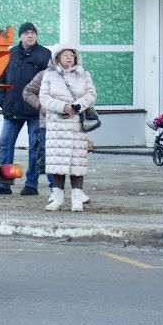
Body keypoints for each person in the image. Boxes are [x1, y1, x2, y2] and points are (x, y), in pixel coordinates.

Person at [0, 21, 52, 196]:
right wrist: (2, 101)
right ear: (20, 36)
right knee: (5, 143)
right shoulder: (11, 54)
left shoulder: (45, 55)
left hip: (35, 111)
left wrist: (44, 105)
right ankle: (3, 184)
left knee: (35, 148)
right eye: (26, 33)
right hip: (12, 109)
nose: (30, 35)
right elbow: (1, 80)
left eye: (33, 32)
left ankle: (31, 185)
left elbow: (49, 84)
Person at [38, 46, 96, 212]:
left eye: (72, 55)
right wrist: (63, 106)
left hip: (77, 125)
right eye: (65, 55)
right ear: (58, 58)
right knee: (58, 164)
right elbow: (44, 97)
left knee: (77, 164)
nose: (69, 58)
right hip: (57, 125)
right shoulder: (49, 75)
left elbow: (91, 95)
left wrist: (77, 106)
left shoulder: (84, 75)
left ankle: (77, 200)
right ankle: (58, 199)